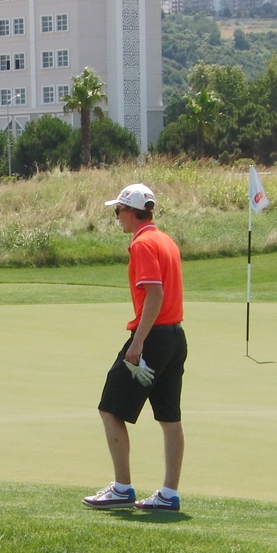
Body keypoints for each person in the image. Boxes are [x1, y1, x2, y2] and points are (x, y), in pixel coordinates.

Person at [83, 183, 186, 512]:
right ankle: (169, 494)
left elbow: (154, 294)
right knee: (169, 417)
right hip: (175, 337)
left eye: (118, 210)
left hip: (152, 337)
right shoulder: (165, 240)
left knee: (110, 408)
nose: (117, 217)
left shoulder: (142, 244)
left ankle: (122, 488)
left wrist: (138, 342)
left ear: (131, 211)